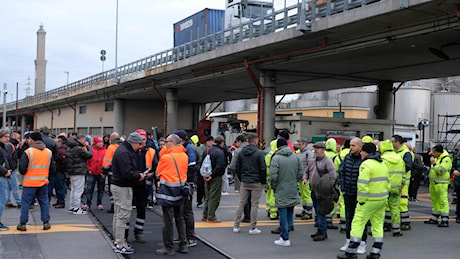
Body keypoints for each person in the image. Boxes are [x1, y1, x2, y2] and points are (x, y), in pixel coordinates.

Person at [337, 142, 390, 259]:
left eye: (362, 151)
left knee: (358, 222)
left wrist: (360, 200)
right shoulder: (382, 164)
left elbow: (362, 185)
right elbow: (388, 183)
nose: (360, 153)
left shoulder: (366, 164)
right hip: (381, 199)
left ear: (365, 152)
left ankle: (351, 251)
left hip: (368, 200)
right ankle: (376, 251)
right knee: (377, 225)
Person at [111, 132, 147, 255]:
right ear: (134, 142)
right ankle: (120, 243)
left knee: (118, 214)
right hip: (123, 187)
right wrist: (139, 175)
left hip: (118, 185)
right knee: (123, 215)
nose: (140, 147)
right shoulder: (125, 153)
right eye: (139, 144)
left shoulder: (122, 150)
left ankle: (118, 241)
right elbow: (127, 172)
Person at [155, 134, 188, 256]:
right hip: (180, 190)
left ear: (172, 143)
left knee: (168, 221)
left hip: (168, 192)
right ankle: (183, 244)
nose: (165, 144)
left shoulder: (167, 157)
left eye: (166, 141)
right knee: (180, 218)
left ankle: (169, 247)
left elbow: (158, 173)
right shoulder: (184, 155)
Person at [17, 131, 54, 232]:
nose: (27, 141)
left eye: (28, 139)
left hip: (30, 183)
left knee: (26, 203)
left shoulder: (28, 152)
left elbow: (22, 169)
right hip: (43, 181)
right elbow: (52, 168)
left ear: (32, 140)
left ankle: (23, 223)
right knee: (44, 202)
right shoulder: (48, 152)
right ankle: (46, 222)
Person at [270, 137, 303, 246]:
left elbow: (273, 176)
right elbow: (300, 174)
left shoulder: (276, 158)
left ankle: (284, 238)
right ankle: (287, 232)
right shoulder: (295, 157)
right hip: (292, 188)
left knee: (282, 213)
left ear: (278, 146)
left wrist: (274, 187)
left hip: (281, 188)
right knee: (290, 211)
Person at [233, 133, 266, 235]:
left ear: (247, 141)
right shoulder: (259, 153)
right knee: (254, 204)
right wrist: (263, 181)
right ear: (256, 142)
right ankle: (252, 227)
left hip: (245, 181)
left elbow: (237, 167)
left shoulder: (241, 152)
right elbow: (263, 168)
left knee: (241, 203)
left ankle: (236, 225)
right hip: (256, 181)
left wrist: (241, 177)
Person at [338, 137, 367, 254]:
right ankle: (349, 240)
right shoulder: (347, 158)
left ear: (360, 147)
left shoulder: (364, 160)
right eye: (350, 145)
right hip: (348, 193)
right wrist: (343, 188)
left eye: (353, 145)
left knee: (360, 219)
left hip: (359, 194)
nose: (351, 147)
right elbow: (342, 172)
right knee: (349, 218)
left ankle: (362, 243)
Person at [302, 141, 336, 242]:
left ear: (323, 150)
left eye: (317, 148)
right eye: (314, 148)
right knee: (317, 211)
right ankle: (320, 230)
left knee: (321, 212)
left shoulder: (327, 161)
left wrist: (326, 187)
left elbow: (333, 176)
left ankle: (322, 232)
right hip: (314, 190)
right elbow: (306, 171)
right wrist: (305, 178)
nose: (315, 150)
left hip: (322, 192)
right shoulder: (313, 161)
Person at [175, 130, 198, 247]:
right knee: (181, 211)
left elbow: (192, 167)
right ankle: (183, 236)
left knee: (187, 211)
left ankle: (190, 237)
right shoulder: (185, 148)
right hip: (183, 182)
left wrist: (187, 182)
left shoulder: (189, 148)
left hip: (186, 183)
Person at [378, 139, 405, 236]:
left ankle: (381, 227)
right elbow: (403, 175)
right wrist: (401, 187)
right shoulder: (399, 159)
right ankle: (396, 229)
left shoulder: (382, 159)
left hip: (384, 188)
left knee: (381, 208)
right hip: (396, 188)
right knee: (395, 208)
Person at [424, 144, 452, 227]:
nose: (433, 153)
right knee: (435, 201)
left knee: (443, 201)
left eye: (434, 152)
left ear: (439, 152)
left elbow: (441, 171)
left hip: (441, 184)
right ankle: (434, 217)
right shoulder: (437, 158)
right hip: (433, 183)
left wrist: (434, 164)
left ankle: (445, 219)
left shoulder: (446, 159)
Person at [66, 134, 93, 215]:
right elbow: (89, 155)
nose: (85, 142)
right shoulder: (79, 148)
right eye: (84, 140)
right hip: (79, 171)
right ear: (81, 140)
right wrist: (89, 147)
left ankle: (72, 207)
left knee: (73, 189)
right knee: (78, 190)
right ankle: (77, 208)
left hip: (72, 171)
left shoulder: (70, 148)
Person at [202, 135, 226, 223]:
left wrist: (206, 175)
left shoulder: (207, 151)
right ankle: (211, 216)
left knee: (208, 196)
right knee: (214, 197)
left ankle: (205, 214)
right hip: (215, 177)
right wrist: (212, 175)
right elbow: (220, 166)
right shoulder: (220, 152)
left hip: (205, 175)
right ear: (222, 142)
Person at [391, 134, 412, 230]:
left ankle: (405, 222)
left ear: (398, 142)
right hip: (397, 181)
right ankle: (399, 221)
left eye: (393, 142)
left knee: (402, 202)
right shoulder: (396, 152)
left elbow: (408, 166)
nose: (392, 143)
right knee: (396, 202)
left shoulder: (405, 153)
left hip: (403, 181)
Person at [84, 136, 107, 211]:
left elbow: (106, 162)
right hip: (92, 171)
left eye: (101, 142)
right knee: (90, 188)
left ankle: (99, 203)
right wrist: (89, 169)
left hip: (101, 172)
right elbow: (87, 161)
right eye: (99, 142)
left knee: (101, 189)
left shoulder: (105, 151)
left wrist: (104, 171)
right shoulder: (91, 150)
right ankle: (88, 203)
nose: (101, 144)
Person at [102, 132, 122, 213]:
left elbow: (107, 161)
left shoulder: (111, 147)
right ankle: (119, 206)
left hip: (112, 172)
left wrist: (104, 171)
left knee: (112, 190)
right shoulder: (123, 146)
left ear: (111, 139)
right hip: (121, 172)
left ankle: (113, 205)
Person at [295, 138, 314, 220]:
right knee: (303, 195)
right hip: (302, 177)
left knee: (306, 195)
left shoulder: (308, 153)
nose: (298, 146)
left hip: (306, 178)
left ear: (304, 144)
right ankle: (305, 210)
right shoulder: (303, 153)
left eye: (300, 145)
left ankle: (308, 212)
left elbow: (311, 165)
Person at [40, 126, 58, 203]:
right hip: (50, 165)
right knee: (49, 184)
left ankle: (38, 200)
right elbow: (56, 155)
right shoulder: (53, 142)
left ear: (41, 132)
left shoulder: (39, 141)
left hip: (39, 165)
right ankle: (47, 200)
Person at [5, 131, 21, 208]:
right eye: (18, 138)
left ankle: (8, 201)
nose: (19, 139)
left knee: (9, 186)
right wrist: (12, 168)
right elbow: (9, 158)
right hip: (11, 169)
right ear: (14, 137)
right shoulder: (11, 146)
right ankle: (19, 202)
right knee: (15, 186)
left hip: (10, 168)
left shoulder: (10, 145)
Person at [196, 135, 213, 208]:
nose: (210, 143)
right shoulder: (200, 149)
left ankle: (207, 199)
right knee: (200, 186)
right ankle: (199, 200)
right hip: (201, 167)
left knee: (208, 186)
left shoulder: (213, 149)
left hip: (209, 168)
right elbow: (197, 158)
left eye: (212, 141)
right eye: (209, 141)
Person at [53, 136, 68, 208]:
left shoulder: (61, 151)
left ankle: (61, 202)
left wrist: (63, 170)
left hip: (59, 171)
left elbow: (64, 162)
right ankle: (59, 201)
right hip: (59, 170)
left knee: (60, 187)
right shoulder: (61, 150)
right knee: (58, 186)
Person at [452, 149, 460, 223]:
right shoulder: (457, 157)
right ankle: (458, 215)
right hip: (458, 180)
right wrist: (454, 170)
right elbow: (453, 166)